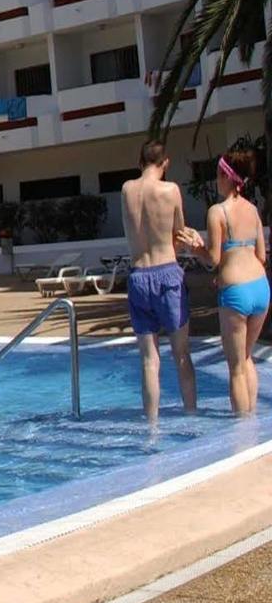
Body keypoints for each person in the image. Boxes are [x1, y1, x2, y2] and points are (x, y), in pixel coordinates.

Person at [121, 140, 200, 420]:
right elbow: (178, 234)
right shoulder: (171, 190)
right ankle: (191, 417)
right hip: (167, 274)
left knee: (148, 360)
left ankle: (152, 427)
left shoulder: (127, 190)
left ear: (140, 161)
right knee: (181, 355)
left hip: (139, 277)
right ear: (165, 163)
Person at [197, 147, 267, 415]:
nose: (216, 180)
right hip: (261, 289)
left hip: (236, 293)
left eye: (217, 174)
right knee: (247, 357)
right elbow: (261, 255)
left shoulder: (217, 212)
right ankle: (254, 424)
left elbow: (213, 258)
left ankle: (241, 433)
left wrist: (195, 248)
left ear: (226, 177)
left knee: (236, 367)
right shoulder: (253, 210)